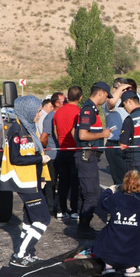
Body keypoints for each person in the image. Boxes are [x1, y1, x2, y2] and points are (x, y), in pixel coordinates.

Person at [0, 95, 53, 267]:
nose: (39, 115)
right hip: (24, 182)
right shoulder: (17, 130)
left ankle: (28, 253)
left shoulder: (29, 128)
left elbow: (34, 152)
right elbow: (16, 158)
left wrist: (42, 176)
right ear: (28, 111)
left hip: (33, 180)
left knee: (30, 220)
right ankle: (20, 255)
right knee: (43, 218)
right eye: (37, 112)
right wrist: (40, 160)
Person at [74, 81, 113, 239]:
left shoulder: (91, 110)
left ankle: (83, 226)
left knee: (86, 193)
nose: (106, 100)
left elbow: (74, 133)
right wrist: (102, 135)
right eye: (106, 96)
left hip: (88, 157)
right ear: (101, 93)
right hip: (87, 157)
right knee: (92, 194)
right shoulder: (88, 111)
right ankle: (83, 228)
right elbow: (83, 135)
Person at [54, 86, 82, 220]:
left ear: (67, 96)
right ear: (80, 98)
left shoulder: (58, 112)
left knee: (63, 182)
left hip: (62, 149)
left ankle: (61, 209)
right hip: (74, 150)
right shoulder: (79, 112)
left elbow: (55, 130)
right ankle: (75, 210)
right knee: (75, 182)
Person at [40, 92, 64, 216]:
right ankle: (49, 208)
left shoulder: (58, 115)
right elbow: (44, 137)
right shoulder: (50, 117)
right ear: (56, 103)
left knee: (58, 182)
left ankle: (58, 207)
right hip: (52, 155)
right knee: (51, 183)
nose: (64, 104)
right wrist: (47, 148)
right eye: (62, 102)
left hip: (58, 154)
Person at [103, 78, 131, 184]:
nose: (124, 91)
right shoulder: (109, 103)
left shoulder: (127, 103)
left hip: (127, 144)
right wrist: (120, 88)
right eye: (123, 89)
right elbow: (112, 102)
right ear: (115, 89)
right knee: (120, 180)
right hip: (115, 145)